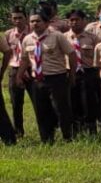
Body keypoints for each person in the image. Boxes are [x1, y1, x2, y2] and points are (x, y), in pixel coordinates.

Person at [20, 10, 78, 143]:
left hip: (57, 78)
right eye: (32, 21)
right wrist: (19, 75)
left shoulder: (57, 36)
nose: (35, 23)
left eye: (38, 21)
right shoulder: (27, 39)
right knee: (41, 110)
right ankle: (46, 139)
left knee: (61, 109)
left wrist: (72, 74)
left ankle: (67, 137)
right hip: (38, 80)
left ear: (46, 23)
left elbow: (72, 54)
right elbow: (24, 59)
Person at [67, 9, 99, 138]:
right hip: (69, 73)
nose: (74, 23)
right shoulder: (62, 38)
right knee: (72, 102)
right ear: (68, 22)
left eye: (77, 20)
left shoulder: (93, 38)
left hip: (88, 72)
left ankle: (91, 131)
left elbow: (99, 57)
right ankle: (76, 131)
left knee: (89, 102)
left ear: (84, 21)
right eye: (71, 20)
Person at [6, 8, 28, 138]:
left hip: (31, 70)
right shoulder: (8, 34)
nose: (18, 21)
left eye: (20, 17)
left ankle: (46, 132)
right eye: (15, 18)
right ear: (11, 20)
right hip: (14, 69)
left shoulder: (32, 33)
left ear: (25, 18)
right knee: (16, 103)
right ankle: (19, 132)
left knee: (39, 102)